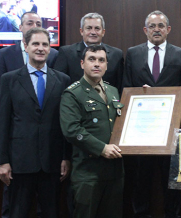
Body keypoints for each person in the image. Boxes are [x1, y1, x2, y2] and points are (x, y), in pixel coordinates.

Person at [0, 27, 71, 218]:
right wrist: (2, 161)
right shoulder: (9, 80)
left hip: (52, 162)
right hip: (20, 162)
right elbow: (3, 123)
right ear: (26, 47)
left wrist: (65, 157)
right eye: (35, 44)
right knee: (18, 213)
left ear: (50, 48)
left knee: (51, 212)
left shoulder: (62, 80)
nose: (40, 48)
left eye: (45, 44)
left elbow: (65, 123)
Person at [122, 10, 181, 218]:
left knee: (172, 185)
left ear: (168, 29)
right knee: (141, 184)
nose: (157, 29)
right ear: (145, 30)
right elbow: (126, 88)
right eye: (152, 26)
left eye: (161, 25)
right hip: (142, 133)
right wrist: (138, 94)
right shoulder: (133, 53)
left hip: (171, 132)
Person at [60, 45, 124, 218]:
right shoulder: (72, 94)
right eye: (92, 59)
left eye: (101, 60)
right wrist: (102, 148)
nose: (97, 64)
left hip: (114, 171)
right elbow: (72, 130)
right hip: (88, 172)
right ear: (82, 64)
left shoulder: (112, 91)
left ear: (106, 65)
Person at [0, 11, 59, 96]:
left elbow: (57, 86)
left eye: (38, 24)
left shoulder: (53, 54)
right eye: (30, 23)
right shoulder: (5, 54)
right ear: (20, 27)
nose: (34, 27)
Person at [54, 12, 124, 90]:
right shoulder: (66, 53)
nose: (93, 32)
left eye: (97, 28)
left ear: (103, 32)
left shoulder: (116, 55)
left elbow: (120, 87)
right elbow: (58, 85)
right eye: (89, 28)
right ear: (81, 31)